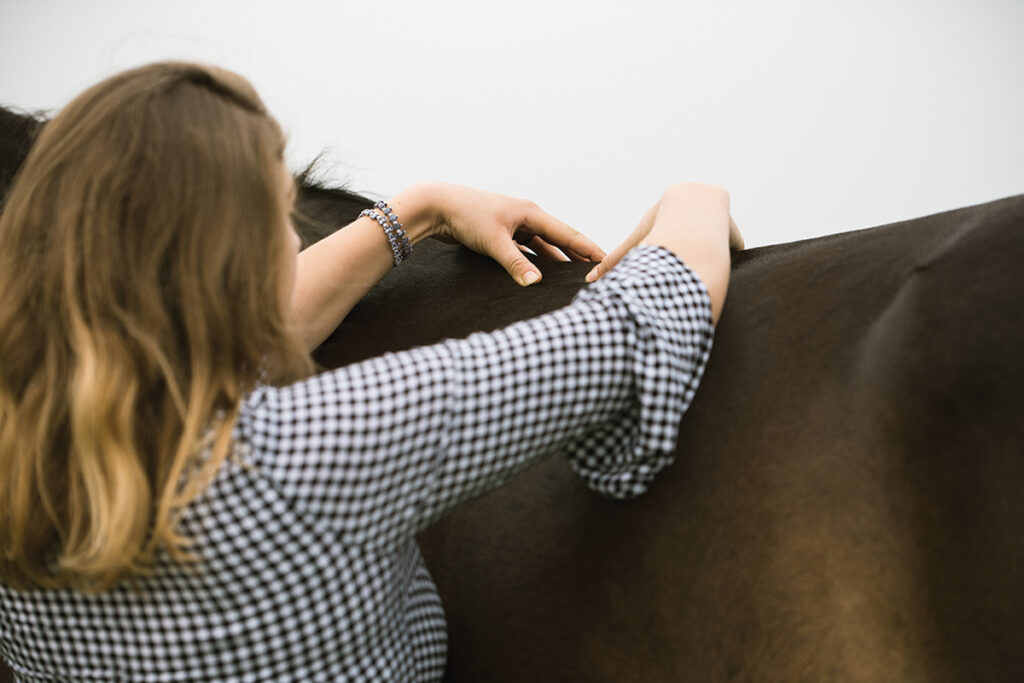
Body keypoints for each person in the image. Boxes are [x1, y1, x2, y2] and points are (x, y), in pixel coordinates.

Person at [0, 62, 741, 681]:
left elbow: (220, 337)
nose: (293, 243)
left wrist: (416, 210)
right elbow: (635, 326)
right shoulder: (312, 451)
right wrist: (694, 200)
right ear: (219, 268)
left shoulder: (22, 473)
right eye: (275, 218)